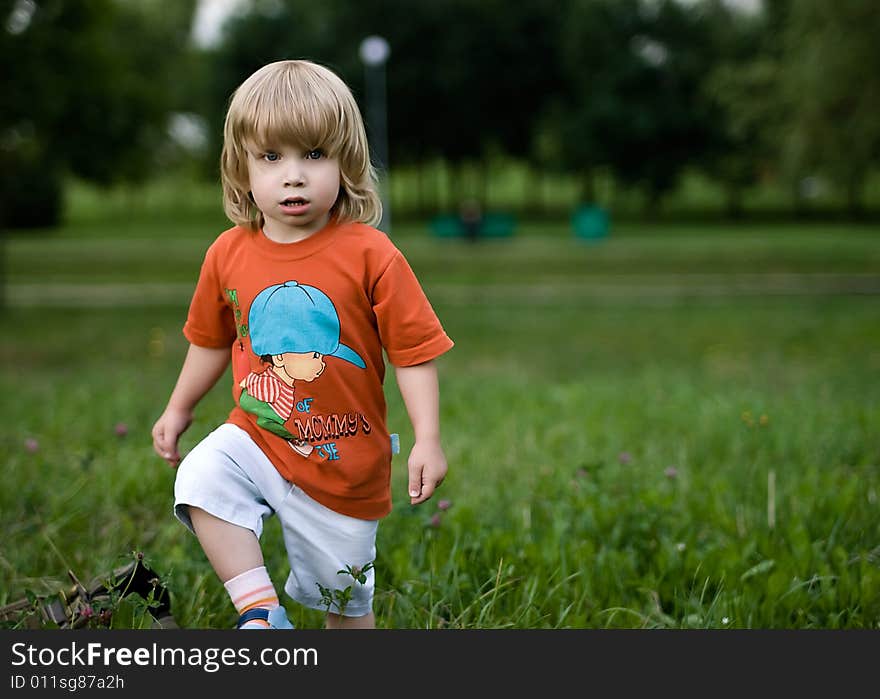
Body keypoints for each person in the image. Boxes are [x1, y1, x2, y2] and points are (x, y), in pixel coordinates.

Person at [151, 59, 454, 630]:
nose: (293, 175)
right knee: (201, 477)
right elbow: (211, 340)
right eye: (271, 157)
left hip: (343, 466)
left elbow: (413, 352)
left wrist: (428, 438)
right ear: (241, 168)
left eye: (313, 155)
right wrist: (179, 407)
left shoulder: (371, 254)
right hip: (259, 437)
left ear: (347, 163)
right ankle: (262, 614)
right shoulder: (227, 253)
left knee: (342, 607)